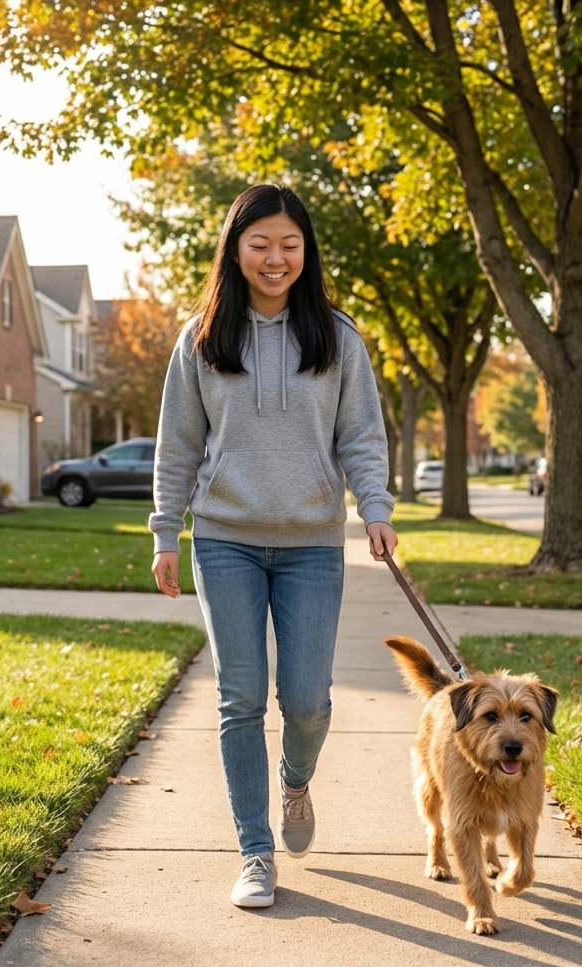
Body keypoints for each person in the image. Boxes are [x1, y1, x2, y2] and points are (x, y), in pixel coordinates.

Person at [149, 183, 398, 908]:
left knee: (308, 700)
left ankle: (296, 781)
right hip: (224, 539)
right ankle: (255, 852)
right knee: (240, 698)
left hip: (313, 545)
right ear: (235, 249)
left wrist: (375, 507)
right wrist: (168, 530)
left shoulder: (335, 337)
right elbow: (179, 446)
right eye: (260, 244)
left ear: (305, 252)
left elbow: (361, 436)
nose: (276, 257)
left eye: (290, 244)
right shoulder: (200, 340)